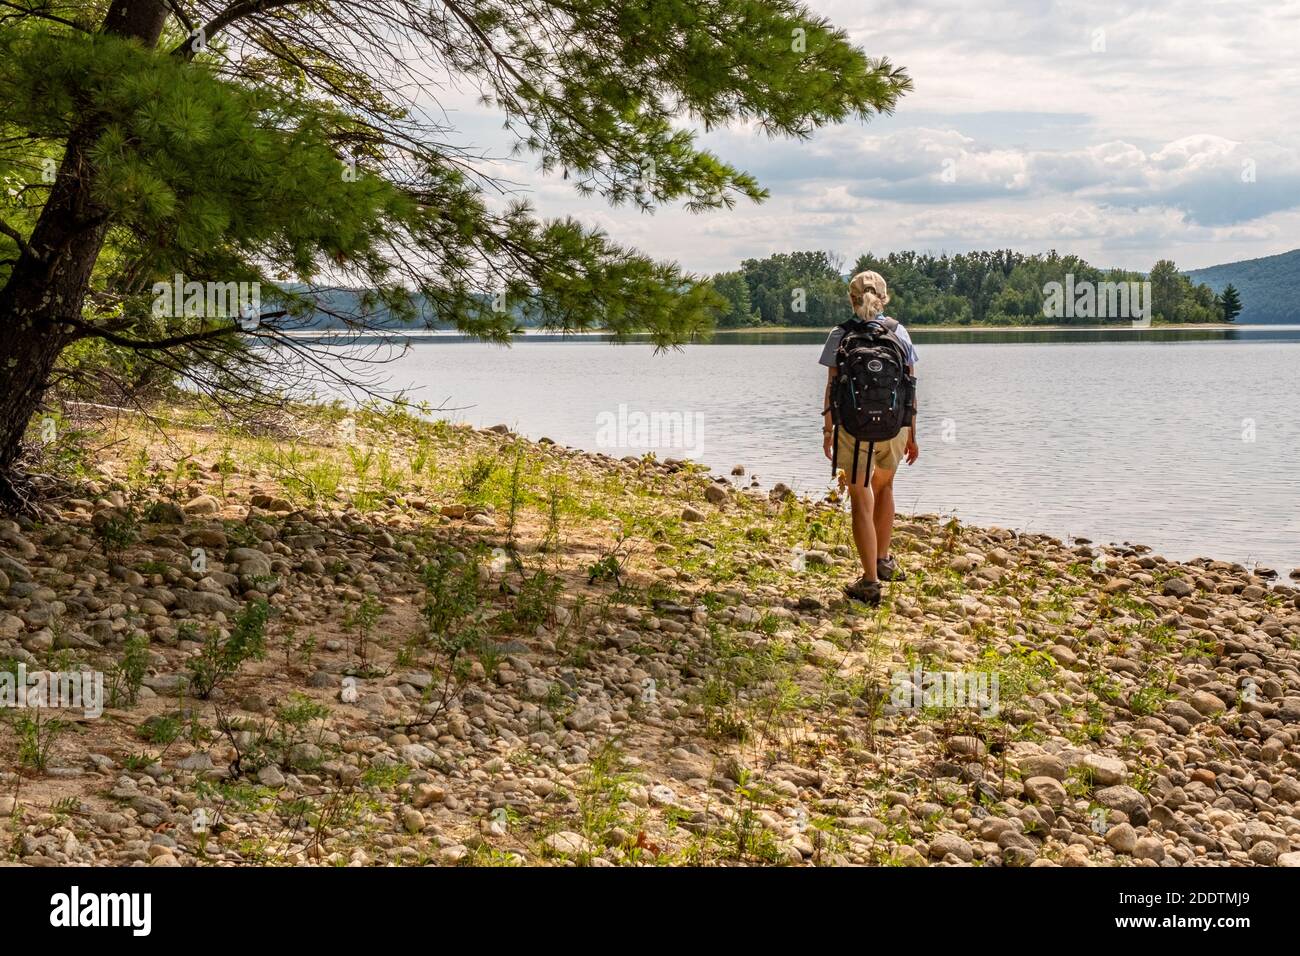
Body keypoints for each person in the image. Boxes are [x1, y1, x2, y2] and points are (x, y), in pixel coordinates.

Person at [819, 270, 919, 605]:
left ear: (851, 298)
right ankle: (883, 560)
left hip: (853, 427)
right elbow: (910, 386)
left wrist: (828, 430)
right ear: (885, 297)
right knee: (885, 487)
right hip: (894, 427)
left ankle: (870, 581)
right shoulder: (899, 332)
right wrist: (912, 433)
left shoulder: (840, 334)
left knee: (861, 499)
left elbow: (832, 387)